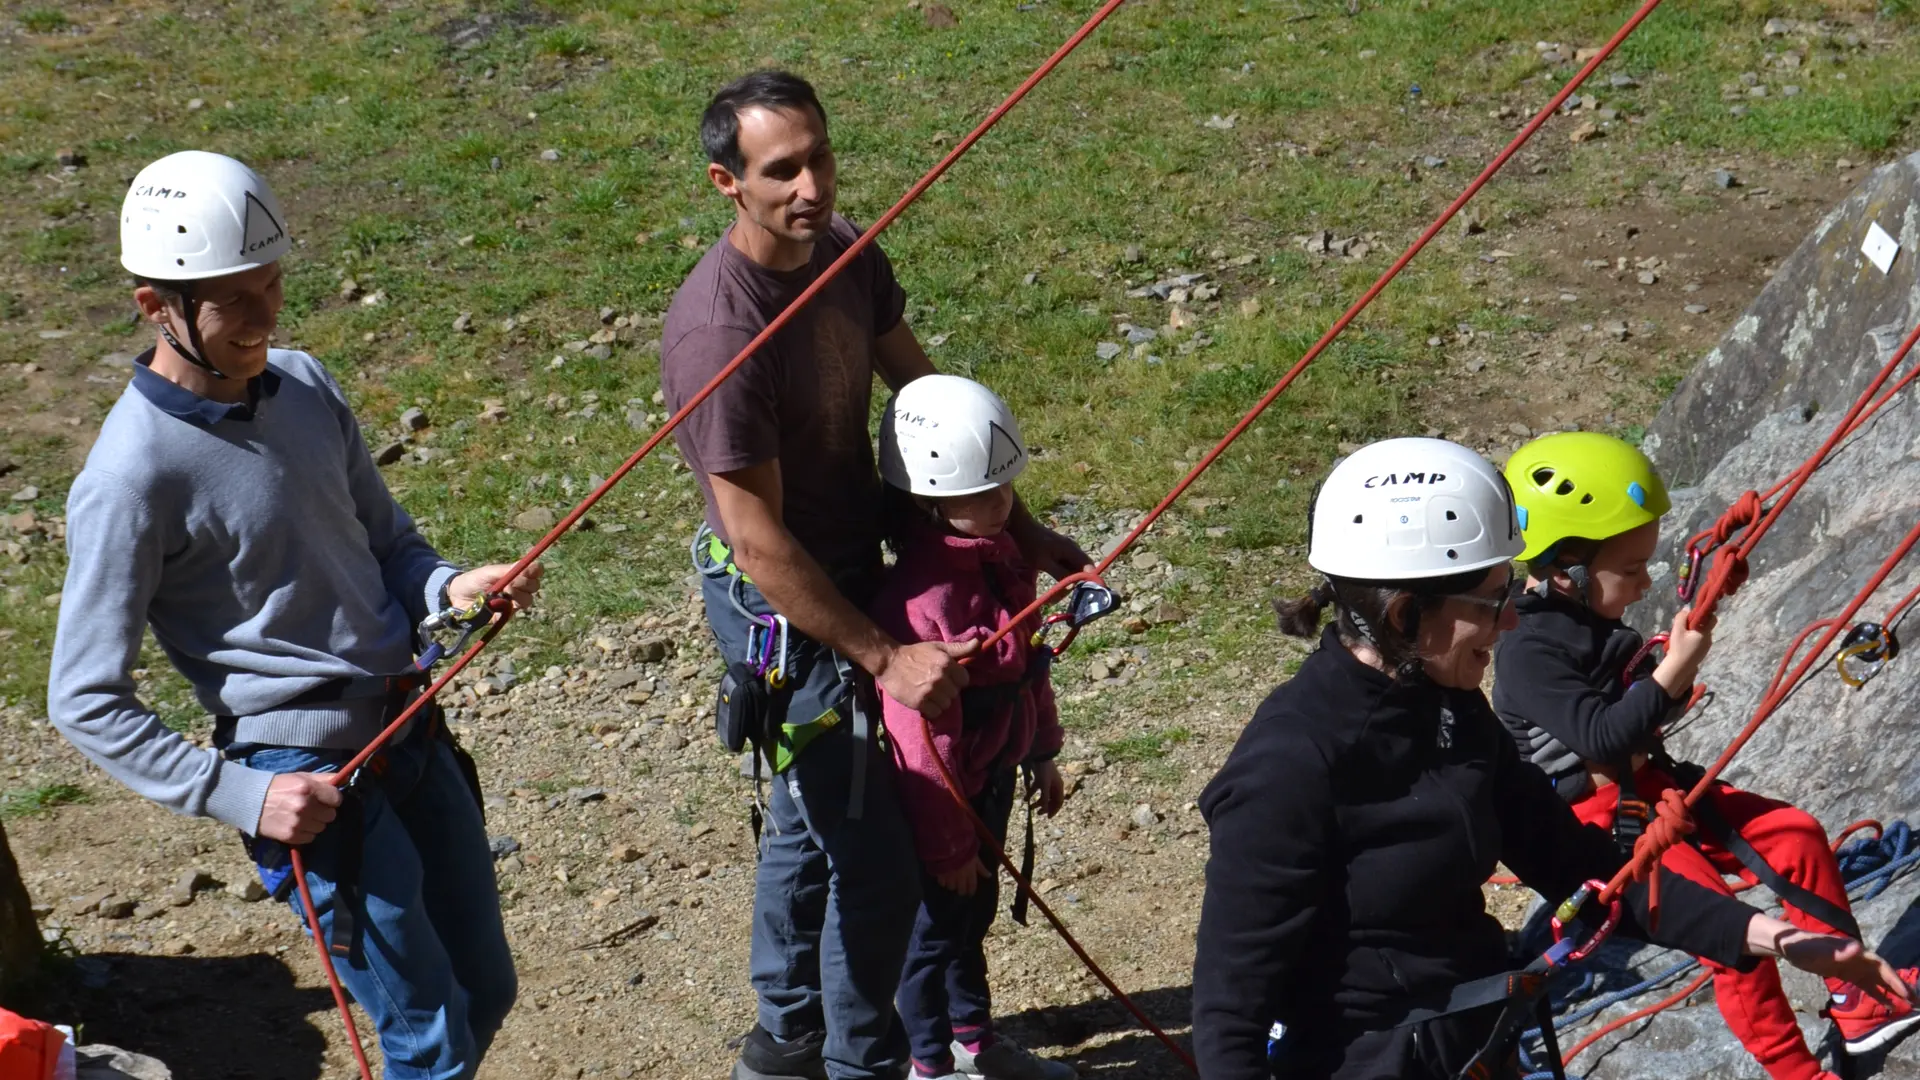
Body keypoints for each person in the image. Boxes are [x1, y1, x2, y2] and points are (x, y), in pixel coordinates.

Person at [1190, 436, 1910, 1080]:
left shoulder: (1446, 704)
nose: (1511, 619)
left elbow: (1580, 866)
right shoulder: (1289, 768)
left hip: (1474, 1041)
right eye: (1493, 597)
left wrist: (1771, 936)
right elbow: (1231, 1018)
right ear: (1405, 613)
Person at [45, 151, 541, 1079]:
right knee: (429, 1038)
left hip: (407, 727)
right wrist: (250, 797)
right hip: (307, 778)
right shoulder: (128, 478)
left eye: (273, 281)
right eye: (238, 298)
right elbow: (83, 698)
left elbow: (392, 545)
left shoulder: (307, 385)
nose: (269, 315)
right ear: (158, 306)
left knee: (485, 988)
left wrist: (452, 589)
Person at [662, 71, 1090, 1080]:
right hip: (780, 596)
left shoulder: (846, 253)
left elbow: (924, 389)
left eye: (820, 157)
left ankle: (785, 1038)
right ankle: (875, 1059)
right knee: (880, 855)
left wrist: (1018, 528)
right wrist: (884, 654)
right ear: (728, 183)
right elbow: (758, 539)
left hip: (854, 547)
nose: (812, 187)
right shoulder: (718, 331)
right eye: (782, 171)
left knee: (820, 815)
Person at [1491, 431, 1920, 1078]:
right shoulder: (1527, 650)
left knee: (1796, 836)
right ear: (1564, 569)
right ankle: (1798, 1073)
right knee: (1727, 932)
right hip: (1595, 825)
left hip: (1652, 787)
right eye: (1630, 570)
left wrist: (1687, 645)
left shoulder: (1592, 620)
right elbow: (1603, 738)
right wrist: (1671, 675)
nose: (1644, 583)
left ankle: (1860, 1005)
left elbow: (1638, 711)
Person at [869, 375, 1077, 1080]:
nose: (1002, 505)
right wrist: (949, 845)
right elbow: (924, 748)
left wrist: (1041, 754)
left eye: (1006, 488)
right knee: (930, 939)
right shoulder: (923, 605)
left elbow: (1030, 670)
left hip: (988, 783)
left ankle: (975, 1043)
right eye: (979, 496)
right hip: (944, 808)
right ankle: (929, 1064)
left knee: (970, 924)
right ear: (927, 502)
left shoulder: (1002, 563)